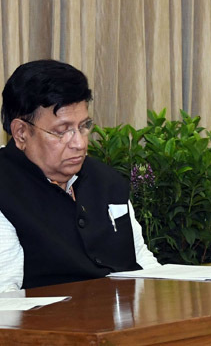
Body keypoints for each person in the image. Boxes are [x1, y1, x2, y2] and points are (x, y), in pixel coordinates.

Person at [0, 60, 159, 292]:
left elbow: (141, 260)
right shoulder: (5, 190)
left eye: (84, 126)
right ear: (21, 133)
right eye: (63, 131)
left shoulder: (106, 181)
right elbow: (5, 298)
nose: (80, 143)